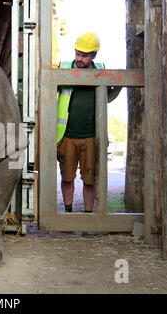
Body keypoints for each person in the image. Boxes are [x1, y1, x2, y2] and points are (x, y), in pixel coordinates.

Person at [57, 32, 122, 213]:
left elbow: (107, 98)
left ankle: (87, 218)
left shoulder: (101, 69)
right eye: (77, 53)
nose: (79, 58)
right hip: (67, 135)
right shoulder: (63, 68)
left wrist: (119, 85)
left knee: (90, 179)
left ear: (94, 56)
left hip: (92, 136)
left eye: (84, 55)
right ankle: (68, 215)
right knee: (67, 178)